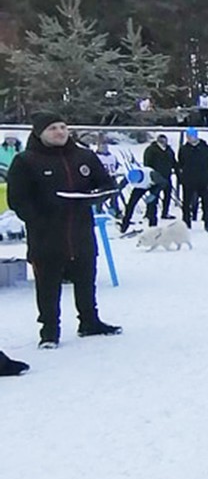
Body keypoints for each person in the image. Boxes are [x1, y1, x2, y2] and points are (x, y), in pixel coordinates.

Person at [6, 111, 122, 348]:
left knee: (86, 278)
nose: (59, 132)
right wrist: (38, 218)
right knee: (48, 284)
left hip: (81, 231)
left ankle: (89, 321)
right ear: (40, 133)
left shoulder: (84, 156)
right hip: (46, 236)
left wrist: (96, 196)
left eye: (62, 126)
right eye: (52, 128)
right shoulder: (26, 161)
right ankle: (49, 331)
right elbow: (17, 199)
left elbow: (106, 185)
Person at [178, 127, 208, 232]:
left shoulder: (205, 148)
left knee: (206, 203)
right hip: (189, 181)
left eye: (191, 136)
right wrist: (182, 178)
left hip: (204, 180)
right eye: (188, 136)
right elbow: (181, 164)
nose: (189, 138)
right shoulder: (184, 149)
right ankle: (186, 224)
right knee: (186, 203)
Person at [118, 164, 168, 234]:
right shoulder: (130, 176)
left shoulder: (152, 175)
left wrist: (153, 194)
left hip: (153, 185)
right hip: (139, 188)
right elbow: (121, 185)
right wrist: (117, 191)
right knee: (130, 204)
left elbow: (164, 183)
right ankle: (124, 226)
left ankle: (153, 227)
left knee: (152, 205)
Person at [143, 134, 178, 220]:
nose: (163, 143)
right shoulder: (151, 150)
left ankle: (165, 213)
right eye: (161, 141)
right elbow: (147, 163)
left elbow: (173, 162)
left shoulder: (169, 150)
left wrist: (178, 170)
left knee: (167, 195)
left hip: (167, 176)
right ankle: (149, 213)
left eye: (165, 141)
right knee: (154, 195)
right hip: (155, 178)